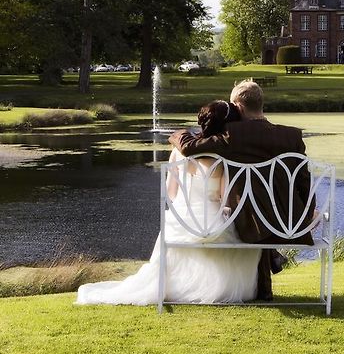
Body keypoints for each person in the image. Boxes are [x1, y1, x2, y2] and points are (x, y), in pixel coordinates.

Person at [76, 100, 261, 306]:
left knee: (173, 224)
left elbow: (171, 193)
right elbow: (224, 197)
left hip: (183, 219)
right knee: (241, 236)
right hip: (214, 221)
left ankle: (179, 286)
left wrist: (186, 205)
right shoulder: (225, 156)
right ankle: (217, 289)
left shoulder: (179, 151)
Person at [169, 80, 316, 301]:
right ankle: (264, 287)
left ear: (237, 107)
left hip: (253, 224)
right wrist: (306, 213)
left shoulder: (232, 135)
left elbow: (190, 149)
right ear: (261, 104)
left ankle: (262, 286)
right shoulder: (292, 136)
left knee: (251, 208)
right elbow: (304, 182)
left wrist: (178, 133)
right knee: (262, 206)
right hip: (290, 222)